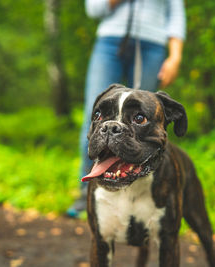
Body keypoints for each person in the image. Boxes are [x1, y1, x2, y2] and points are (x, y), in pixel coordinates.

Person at [67, 0, 186, 217]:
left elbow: (176, 13)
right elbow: (93, 8)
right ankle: (88, 192)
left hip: (153, 44)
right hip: (110, 41)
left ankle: (136, 194)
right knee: (94, 117)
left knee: (140, 122)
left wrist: (175, 56)